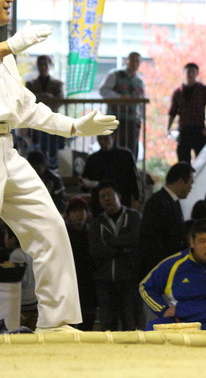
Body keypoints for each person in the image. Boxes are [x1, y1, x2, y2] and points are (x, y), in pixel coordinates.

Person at [0, 0, 118, 333]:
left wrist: (73, 126)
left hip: (6, 148)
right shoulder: (6, 49)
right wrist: (9, 45)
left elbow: (27, 108)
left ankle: (55, 322)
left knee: (49, 226)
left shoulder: (7, 58)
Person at [88, 181, 141, 331]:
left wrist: (109, 243)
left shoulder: (133, 217)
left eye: (109, 195)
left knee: (129, 323)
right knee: (107, 326)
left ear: (119, 196)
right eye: (102, 196)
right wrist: (120, 250)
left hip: (128, 279)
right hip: (105, 282)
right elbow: (96, 251)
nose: (106, 199)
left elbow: (135, 239)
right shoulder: (97, 223)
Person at [138, 162, 194, 280]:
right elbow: (152, 240)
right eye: (190, 183)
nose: (191, 188)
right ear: (181, 182)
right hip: (160, 270)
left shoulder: (172, 201)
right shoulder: (157, 202)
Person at [80, 133, 142, 216]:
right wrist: (85, 184)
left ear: (113, 137)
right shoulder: (92, 159)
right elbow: (84, 185)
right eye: (100, 139)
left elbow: (134, 179)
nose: (102, 142)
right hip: (100, 206)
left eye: (105, 138)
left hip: (123, 201)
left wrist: (137, 199)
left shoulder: (125, 156)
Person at [167, 63, 206, 163]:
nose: (190, 74)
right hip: (184, 130)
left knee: (202, 161)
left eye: (193, 72)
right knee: (183, 162)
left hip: (199, 130)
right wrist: (168, 129)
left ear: (197, 74)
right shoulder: (178, 92)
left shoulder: (204, 90)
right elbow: (172, 112)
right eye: (188, 72)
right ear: (183, 73)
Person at [99, 51, 145, 159]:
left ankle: (131, 168)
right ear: (126, 61)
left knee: (132, 148)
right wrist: (120, 97)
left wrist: (141, 118)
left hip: (133, 121)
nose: (134, 64)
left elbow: (142, 102)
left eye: (137, 61)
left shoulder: (139, 82)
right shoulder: (115, 75)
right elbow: (103, 91)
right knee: (115, 148)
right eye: (132, 60)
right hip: (116, 119)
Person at [25, 55, 65, 167]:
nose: (43, 67)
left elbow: (60, 101)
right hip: (36, 121)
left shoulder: (58, 84)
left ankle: (52, 168)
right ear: (37, 66)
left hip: (52, 120)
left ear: (49, 66)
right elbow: (27, 100)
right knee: (37, 149)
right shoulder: (30, 83)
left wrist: (41, 98)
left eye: (45, 65)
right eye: (40, 65)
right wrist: (47, 97)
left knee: (53, 149)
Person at [64, 197, 97, 331]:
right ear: (68, 215)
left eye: (82, 211)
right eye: (75, 211)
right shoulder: (63, 233)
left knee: (88, 317)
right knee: (69, 319)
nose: (79, 214)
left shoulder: (92, 231)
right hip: (69, 279)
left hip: (89, 280)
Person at [5, 226, 38, 330]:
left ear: (13, 238)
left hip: (23, 303)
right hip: (34, 301)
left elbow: (21, 279)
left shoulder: (16, 255)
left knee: (17, 334)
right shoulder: (32, 252)